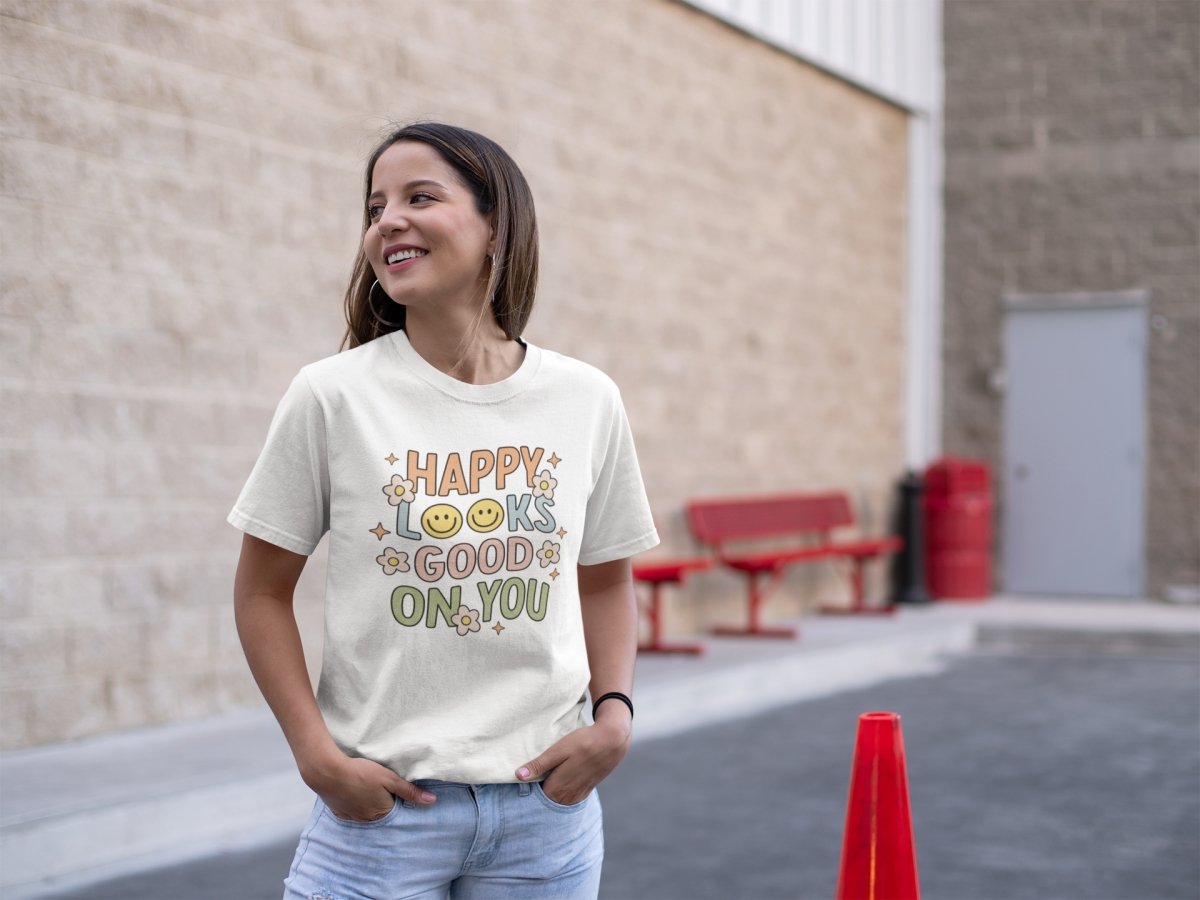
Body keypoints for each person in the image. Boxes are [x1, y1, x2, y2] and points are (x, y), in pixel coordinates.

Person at [228, 121, 659, 899]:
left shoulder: (586, 399)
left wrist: (616, 715)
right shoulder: (331, 396)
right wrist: (315, 756)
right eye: (375, 208)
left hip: (545, 813)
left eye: (419, 197)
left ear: (496, 225)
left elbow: (603, 579)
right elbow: (261, 591)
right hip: (382, 817)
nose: (387, 221)